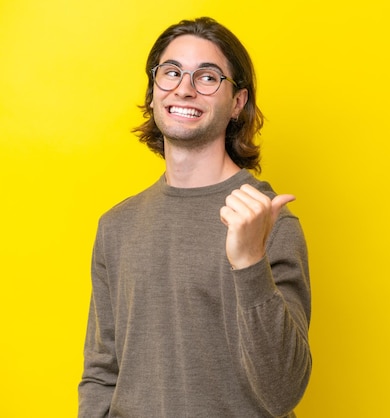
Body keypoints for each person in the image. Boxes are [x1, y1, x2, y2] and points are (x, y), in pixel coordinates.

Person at [78, 17, 311, 417]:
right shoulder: (116, 226)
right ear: (153, 93)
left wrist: (249, 261)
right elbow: (102, 373)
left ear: (237, 102)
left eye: (207, 77)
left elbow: (283, 391)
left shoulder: (268, 221)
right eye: (171, 73)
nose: (184, 87)